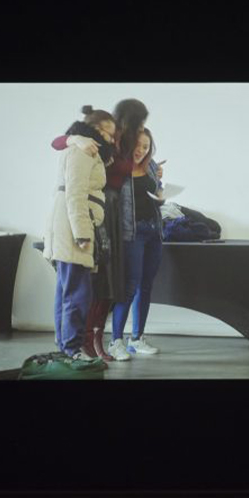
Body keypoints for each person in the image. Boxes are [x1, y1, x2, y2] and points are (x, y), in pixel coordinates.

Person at [51, 98, 156, 361]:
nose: (141, 128)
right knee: (85, 286)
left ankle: (84, 343)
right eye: (139, 122)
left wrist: (153, 170)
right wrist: (74, 139)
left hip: (107, 211)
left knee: (100, 284)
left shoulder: (121, 143)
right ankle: (76, 345)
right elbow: (58, 143)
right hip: (98, 212)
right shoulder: (96, 141)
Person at [43, 107, 115, 358]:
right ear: (95, 129)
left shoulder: (83, 149)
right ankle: (72, 350)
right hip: (74, 229)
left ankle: (66, 348)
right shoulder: (83, 150)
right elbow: (75, 194)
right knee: (77, 293)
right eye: (108, 133)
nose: (111, 139)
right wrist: (83, 234)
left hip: (70, 227)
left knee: (68, 290)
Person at [112, 128, 164, 355]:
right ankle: (115, 342)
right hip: (131, 233)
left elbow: (157, 192)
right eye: (137, 145)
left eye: (146, 146)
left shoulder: (151, 166)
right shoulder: (117, 168)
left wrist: (161, 192)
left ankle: (136, 338)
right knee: (129, 286)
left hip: (154, 231)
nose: (141, 150)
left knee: (146, 285)